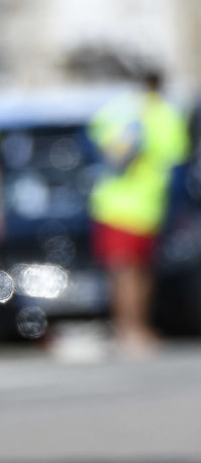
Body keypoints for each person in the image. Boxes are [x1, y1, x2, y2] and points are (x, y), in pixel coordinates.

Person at [87, 69, 189, 352]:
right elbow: (173, 160)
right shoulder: (161, 114)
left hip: (129, 206)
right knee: (131, 272)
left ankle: (132, 328)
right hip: (129, 207)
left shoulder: (123, 109)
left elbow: (96, 143)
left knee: (132, 272)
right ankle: (129, 329)